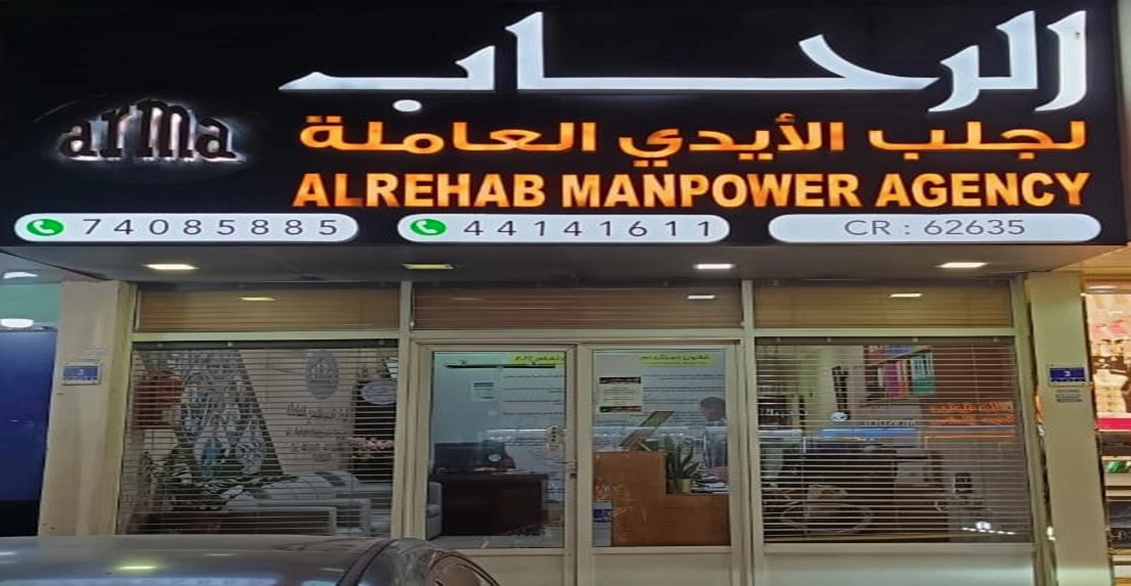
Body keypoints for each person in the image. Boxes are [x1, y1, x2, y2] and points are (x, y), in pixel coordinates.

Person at [698, 397, 728, 483]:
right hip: (712, 471)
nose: (713, 411)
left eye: (717, 408)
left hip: (725, 471)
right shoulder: (704, 427)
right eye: (708, 408)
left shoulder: (727, 427)